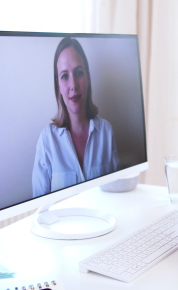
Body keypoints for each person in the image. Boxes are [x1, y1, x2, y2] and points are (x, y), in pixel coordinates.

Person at [32, 37, 119, 197]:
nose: (73, 85)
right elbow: (38, 210)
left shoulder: (106, 132)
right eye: (65, 76)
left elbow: (115, 194)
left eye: (79, 73)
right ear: (58, 85)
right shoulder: (47, 141)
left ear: (88, 79)